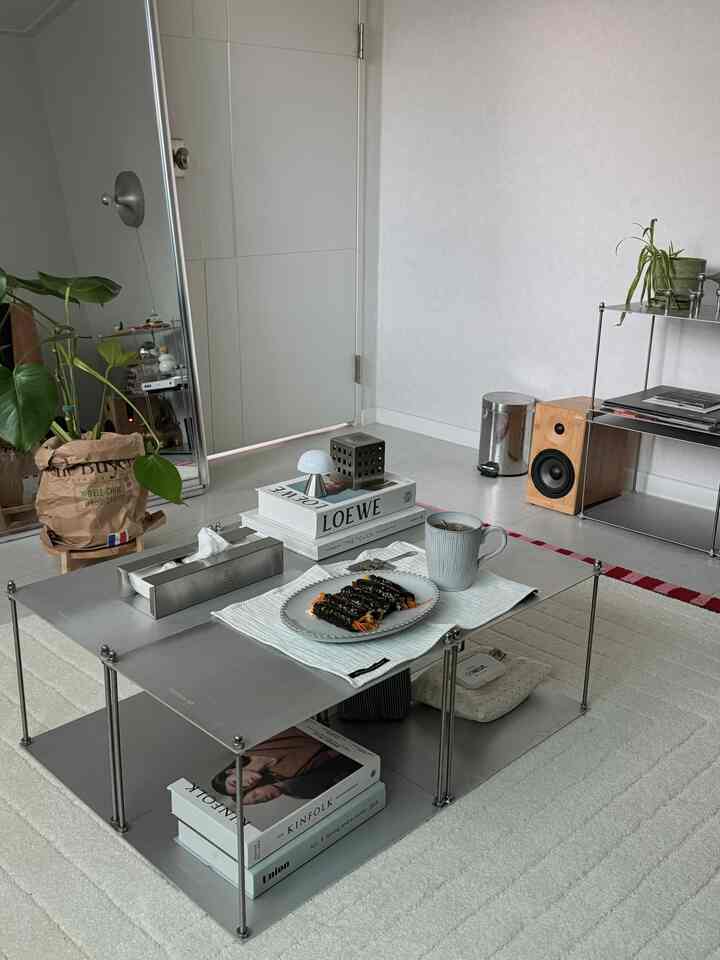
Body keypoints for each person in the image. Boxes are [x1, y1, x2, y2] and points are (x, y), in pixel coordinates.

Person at [212, 726, 360, 806]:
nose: (246, 784)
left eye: (235, 782)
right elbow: (329, 755)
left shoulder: (253, 745)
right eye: (245, 788)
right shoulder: (286, 774)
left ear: (231, 770)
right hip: (344, 733)